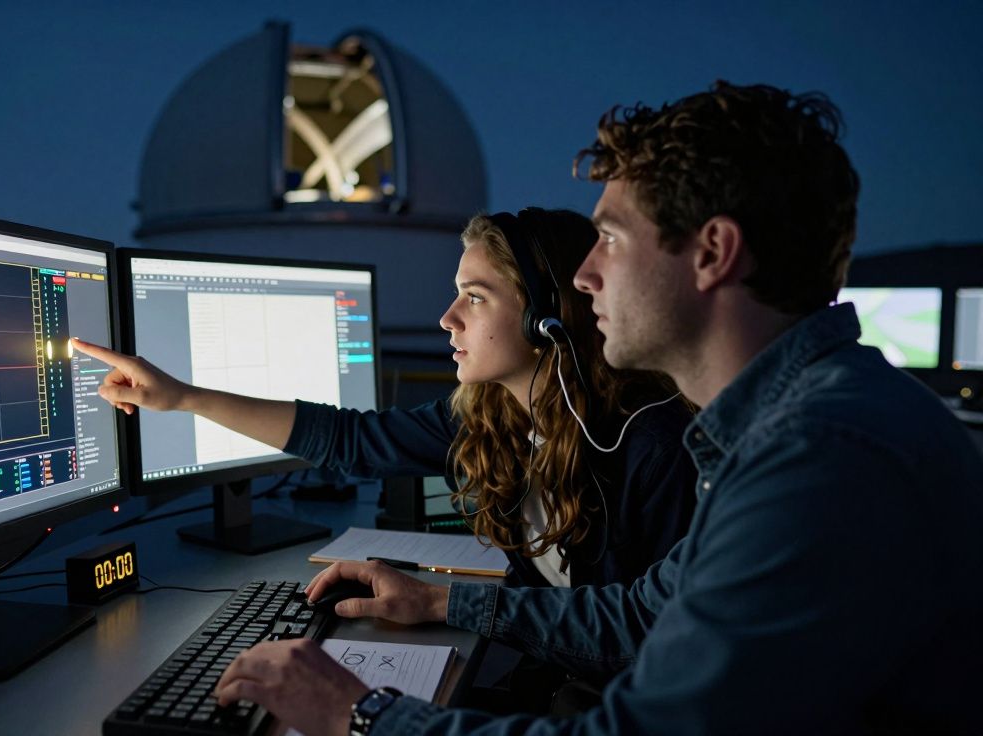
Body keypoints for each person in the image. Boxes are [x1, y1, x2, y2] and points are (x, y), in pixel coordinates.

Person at [199, 81, 983, 735]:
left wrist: (359, 714)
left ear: (712, 253)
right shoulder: (778, 432)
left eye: (609, 238)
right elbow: (643, 618)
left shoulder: (822, 459)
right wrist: (440, 601)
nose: (583, 277)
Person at [73, 209, 697, 595]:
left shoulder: (647, 443)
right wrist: (185, 397)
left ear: (546, 317)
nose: (447, 319)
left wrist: (446, 605)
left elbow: (641, 636)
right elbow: (350, 441)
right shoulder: (494, 416)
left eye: (475, 298)